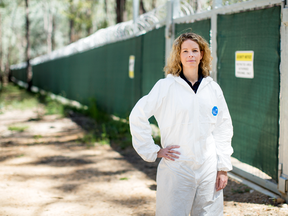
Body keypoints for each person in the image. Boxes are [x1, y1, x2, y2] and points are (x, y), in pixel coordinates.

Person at [129, 32, 233, 216]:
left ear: (202, 54)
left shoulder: (212, 88)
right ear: (179, 55)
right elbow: (138, 115)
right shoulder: (166, 86)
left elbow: (223, 128)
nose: (190, 55)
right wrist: (153, 151)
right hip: (177, 166)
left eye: (195, 50)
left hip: (208, 166)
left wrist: (222, 167)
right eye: (185, 51)